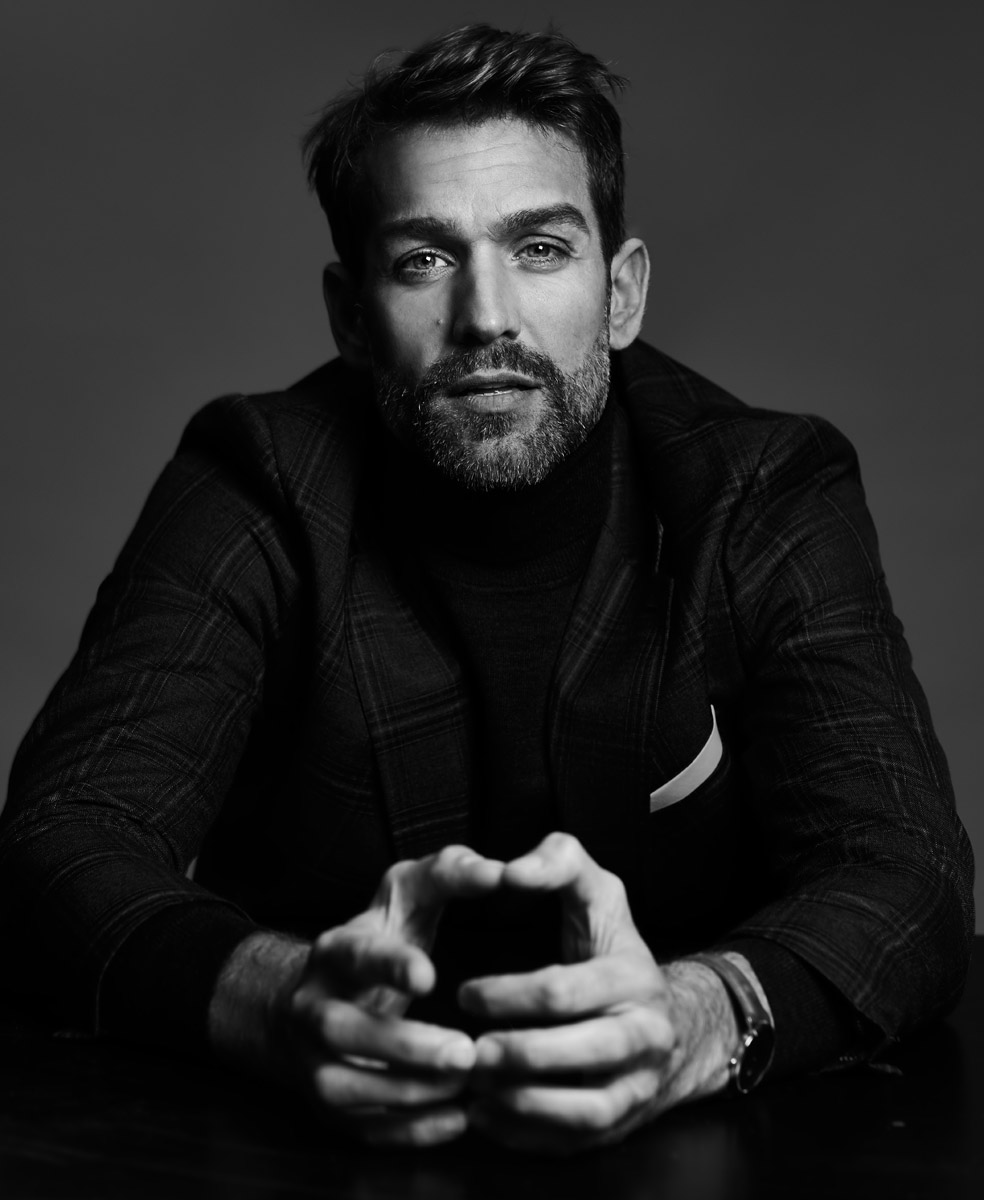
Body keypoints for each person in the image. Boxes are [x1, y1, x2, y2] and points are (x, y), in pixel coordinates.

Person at [0, 24, 973, 1154]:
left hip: (695, 1152)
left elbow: (907, 873)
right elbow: (59, 842)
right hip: (314, 1147)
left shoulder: (762, 489)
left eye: (541, 249)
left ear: (621, 292)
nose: (487, 317)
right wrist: (276, 1000)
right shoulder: (257, 481)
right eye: (424, 259)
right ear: (352, 316)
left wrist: (699, 1019)